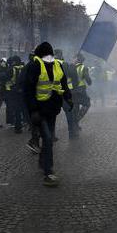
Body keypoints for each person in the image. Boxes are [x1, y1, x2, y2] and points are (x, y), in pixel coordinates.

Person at [24, 42, 72, 186]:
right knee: (48, 138)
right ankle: (48, 172)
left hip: (52, 108)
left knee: (48, 139)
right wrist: (33, 111)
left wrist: (68, 98)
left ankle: (42, 161)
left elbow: (63, 83)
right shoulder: (34, 66)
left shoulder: (58, 65)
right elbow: (28, 90)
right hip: (39, 110)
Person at [71, 53, 91, 131]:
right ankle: (76, 121)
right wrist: (89, 82)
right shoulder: (83, 67)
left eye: (74, 58)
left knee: (75, 107)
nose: (72, 59)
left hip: (72, 90)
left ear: (77, 59)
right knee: (87, 104)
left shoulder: (70, 67)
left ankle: (75, 124)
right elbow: (88, 79)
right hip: (80, 90)